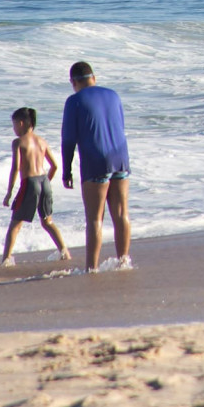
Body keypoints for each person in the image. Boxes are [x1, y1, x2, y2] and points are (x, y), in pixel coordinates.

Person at [61, 61, 131, 272]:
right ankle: (123, 261)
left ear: (73, 82)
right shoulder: (114, 95)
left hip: (96, 160)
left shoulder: (74, 101)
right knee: (121, 214)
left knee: (94, 217)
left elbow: (68, 140)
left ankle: (91, 268)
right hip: (121, 157)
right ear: (94, 77)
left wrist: (66, 170)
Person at [0, 107, 70, 266]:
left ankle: (6, 260)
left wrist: (9, 193)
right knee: (47, 221)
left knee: (15, 224)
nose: (14, 129)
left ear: (22, 123)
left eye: (14, 125)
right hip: (44, 181)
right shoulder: (42, 141)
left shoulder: (18, 142)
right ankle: (65, 252)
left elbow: (16, 168)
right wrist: (46, 183)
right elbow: (55, 166)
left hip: (29, 183)